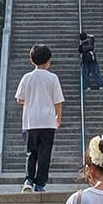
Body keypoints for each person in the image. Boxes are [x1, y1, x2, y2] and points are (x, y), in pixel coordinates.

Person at [15, 42, 64, 193]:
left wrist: (29, 99)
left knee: (31, 153)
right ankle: (40, 184)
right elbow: (58, 101)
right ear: (48, 60)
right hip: (48, 122)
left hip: (31, 122)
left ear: (32, 60)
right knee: (45, 154)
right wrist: (58, 118)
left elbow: (19, 99)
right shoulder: (52, 78)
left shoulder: (27, 77)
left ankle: (28, 180)